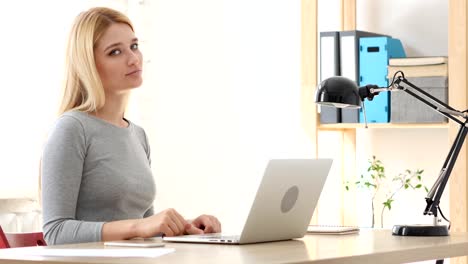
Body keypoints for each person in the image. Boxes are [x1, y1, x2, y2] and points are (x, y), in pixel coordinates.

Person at [41, 7, 221, 245]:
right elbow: (55, 232)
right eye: (115, 52)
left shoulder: (137, 135)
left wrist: (185, 226)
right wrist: (141, 225)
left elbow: (143, 228)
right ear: (89, 64)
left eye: (134, 46)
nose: (133, 58)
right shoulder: (73, 129)